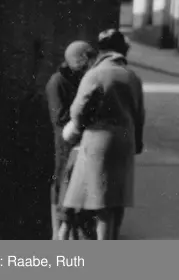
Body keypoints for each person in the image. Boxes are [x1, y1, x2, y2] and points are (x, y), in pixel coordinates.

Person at [62, 29, 146, 240]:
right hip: (125, 142)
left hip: (98, 142)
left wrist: (79, 128)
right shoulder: (133, 77)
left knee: (99, 203)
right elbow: (139, 115)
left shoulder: (95, 74)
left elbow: (77, 111)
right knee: (116, 201)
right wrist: (136, 143)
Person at [45, 41, 96, 240]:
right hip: (66, 141)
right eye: (85, 60)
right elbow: (59, 117)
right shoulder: (57, 82)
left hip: (81, 140)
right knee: (62, 183)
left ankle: (75, 231)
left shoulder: (81, 79)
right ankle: (58, 232)